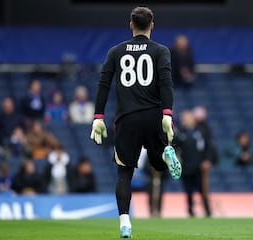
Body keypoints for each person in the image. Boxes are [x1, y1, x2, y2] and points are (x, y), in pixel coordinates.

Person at [89, 7, 181, 238]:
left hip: (127, 119)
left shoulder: (116, 51)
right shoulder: (161, 51)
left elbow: (103, 85)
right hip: (153, 115)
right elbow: (166, 84)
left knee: (124, 173)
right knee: (158, 166)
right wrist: (167, 113)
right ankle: (164, 155)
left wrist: (98, 117)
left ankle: (124, 223)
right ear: (152, 25)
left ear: (130, 25)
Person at [175, 110, 211, 217]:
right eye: (183, 119)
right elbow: (175, 146)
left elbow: (209, 148)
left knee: (202, 189)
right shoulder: (180, 132)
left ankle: (207, 210)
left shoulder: (201, 131)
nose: (184, 121)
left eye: (186, 118)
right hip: (186, 167)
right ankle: (190, 211)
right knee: (188, 191)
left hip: (199, 167)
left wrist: (207, 160)